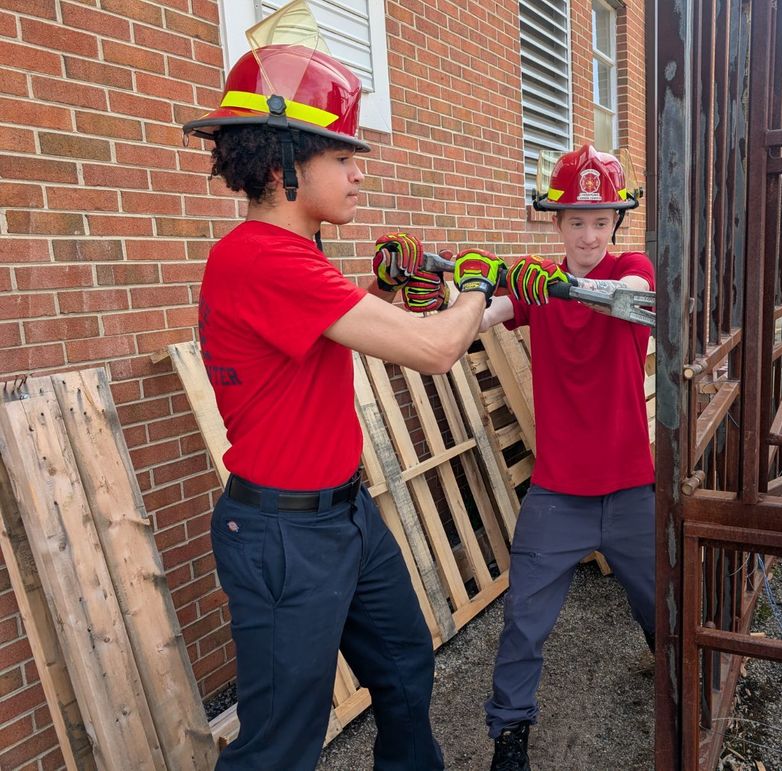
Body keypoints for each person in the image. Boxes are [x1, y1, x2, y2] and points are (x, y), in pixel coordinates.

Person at [182, 3, 504, 768]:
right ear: (280, 163)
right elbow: (432, 351)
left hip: (343, 516)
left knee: (402, 667)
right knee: (280, 746)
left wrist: (387, 291)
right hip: (286, 540)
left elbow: (334, 338)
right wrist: (476, 286)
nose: (359, 171)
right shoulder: (264, 259)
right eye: (340, 156)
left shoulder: (293, 260)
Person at [477, 144, 655, 771]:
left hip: (632, 486)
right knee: (524, 621)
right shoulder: (536, 285)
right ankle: (509, 736)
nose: (588, 232)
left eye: (600, 220)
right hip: (557, 493)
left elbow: (630, 292)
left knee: (662, 605)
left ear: (615, 224)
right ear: (556, 223)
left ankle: (675, 682)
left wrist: (564, 286)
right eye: (575, 220)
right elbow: (489, 313)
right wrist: (473, 289)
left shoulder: (633, 268)